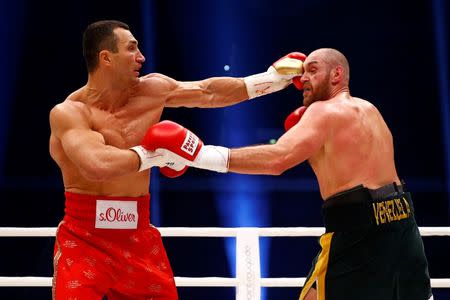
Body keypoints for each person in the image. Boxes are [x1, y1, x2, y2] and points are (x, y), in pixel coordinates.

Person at [48, 20, 305, 300]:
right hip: (85, 239)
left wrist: (268, 81)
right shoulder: (70, 113)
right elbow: (97, 165)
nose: (141, 57)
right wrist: (157, 154)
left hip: (138, 235)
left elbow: (208, 92)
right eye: (131, 48)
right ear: (106, 58)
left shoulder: (152, 90)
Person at [150, 48, 433, 300]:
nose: (303, 79)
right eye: (302, 72)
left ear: (337, 74)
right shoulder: (370, 109)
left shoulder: (322, 112)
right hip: (402, 221)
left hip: (357, 229)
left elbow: (278, 159)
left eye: (312, 70)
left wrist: (200, 155)